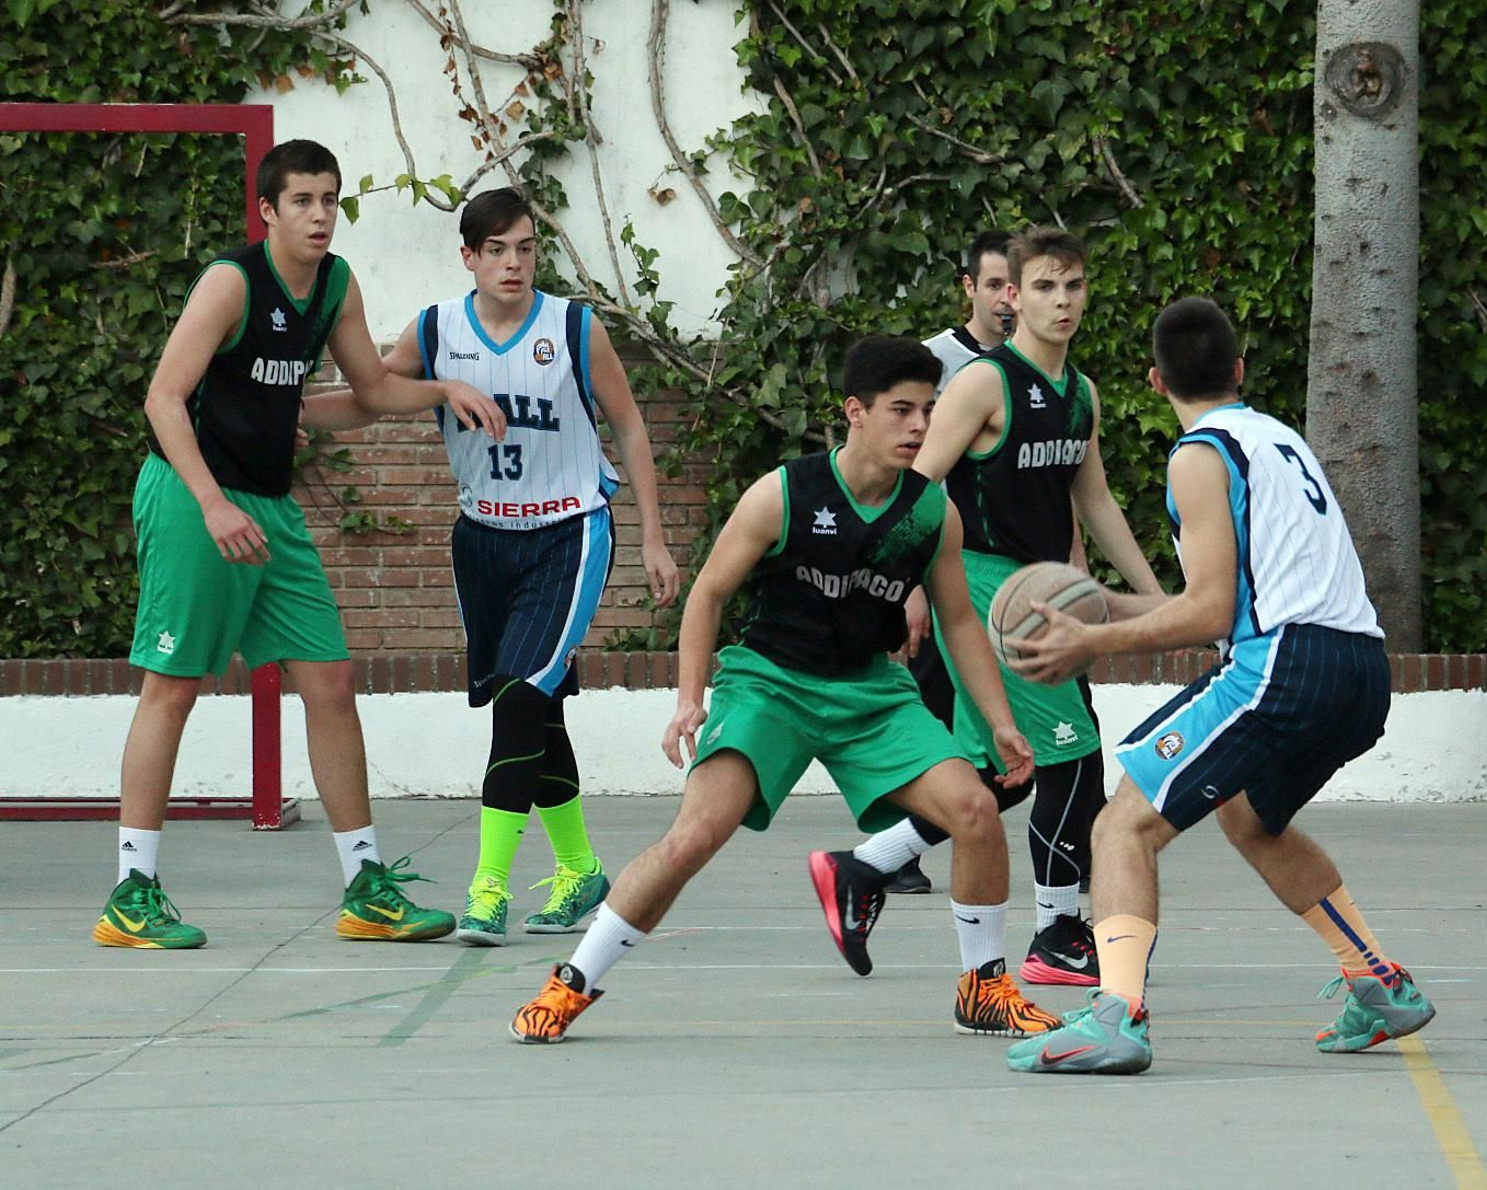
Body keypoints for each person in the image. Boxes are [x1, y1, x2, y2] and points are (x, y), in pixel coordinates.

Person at [507, 336, 1061, 1044]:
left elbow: (956, 619)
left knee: (976, 810)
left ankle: (984, 988)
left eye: (929, 410)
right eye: (902, 411)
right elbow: (706, 594)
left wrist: (1000, 721)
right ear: (855, 412)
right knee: (693, 838)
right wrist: (688, 698)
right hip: (770, 684)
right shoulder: (785, 493)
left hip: (870, 693)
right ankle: (574, 980)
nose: (920, 427)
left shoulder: (930, 514)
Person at [1006, 296, 1436, 1074]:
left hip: (1285, 666)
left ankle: (1117, 1016)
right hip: (1360, 669)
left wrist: (1092, 640)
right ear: (1238, 371)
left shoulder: (1199, 454)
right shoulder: (1276, 440)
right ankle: (1378, 984)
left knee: (1121, 826)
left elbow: (1210, 610)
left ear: (1153, 381)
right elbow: (1224, 609)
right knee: (1249, 817)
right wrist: (1107, 604)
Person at [96, 139, 506, 949]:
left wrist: (443, 388)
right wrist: (211, 504)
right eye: (304, 202)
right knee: (173, 687)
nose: (320, 215)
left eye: (330, 199)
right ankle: (130, 893)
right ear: (269, 211)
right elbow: (163, 400)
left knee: (329, 677)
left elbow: (370, 391)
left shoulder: (337, 285)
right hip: (192, 496)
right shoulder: (230, 283)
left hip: (269, 507)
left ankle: (367, 889)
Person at [307, 187, 680, 945]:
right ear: (469, 257)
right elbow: (373, 396)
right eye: (498, 250)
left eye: (526, 248)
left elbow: (631, 425)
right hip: (482, 538)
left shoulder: (574, 328)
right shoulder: (439, 330)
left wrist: (653, 536)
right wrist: (289, 411)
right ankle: (580, 871)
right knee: (537, 706)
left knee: (517, 696)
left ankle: (488, 889)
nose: (514, 263)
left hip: (569, 533)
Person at [812, 227, 1163, 989]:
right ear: (1011, 295)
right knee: (1075, 756)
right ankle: (1056, 932)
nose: (1060, 301)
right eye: (1042, 287)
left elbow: (1094, 500)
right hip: (987, 588)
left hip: (1040, 587)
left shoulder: (1082, 395)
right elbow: (918, 485)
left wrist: (1162, 597)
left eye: (1072, 287)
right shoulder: (982, 384)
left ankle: (864, 867)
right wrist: (903, 586)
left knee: (1005, 772)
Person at [881, 230, 1015, 896]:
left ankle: (1075, 834)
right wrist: (906, 579)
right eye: (993, 285)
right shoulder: (935, 363)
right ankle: (895, 844)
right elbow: (908, 475)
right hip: (942, 568)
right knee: (930, 704)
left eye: (1015, 283)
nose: (1006, 298)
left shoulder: (1041, 365)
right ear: (970, 288)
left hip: (1008, 575)